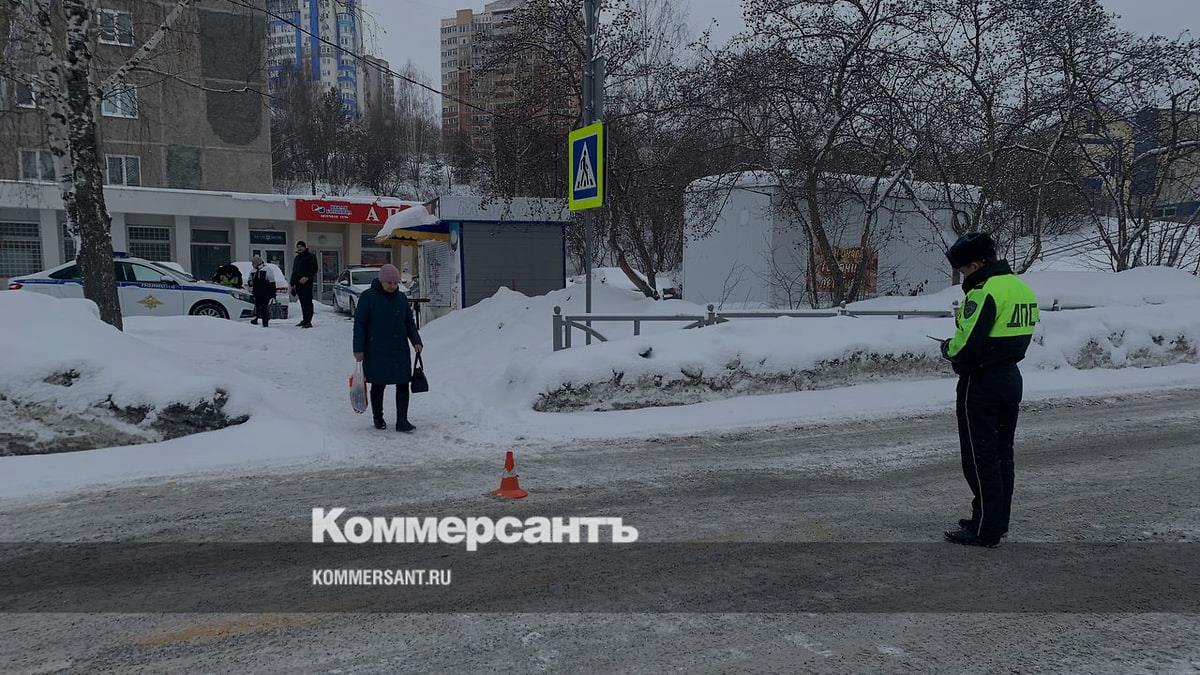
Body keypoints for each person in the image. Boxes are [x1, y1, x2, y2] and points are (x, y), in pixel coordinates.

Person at [939, 232, 1038, 548]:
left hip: (980, 383)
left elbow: (966, 347)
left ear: (979, 262)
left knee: (979, 458)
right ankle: (995, 520)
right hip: (1010, 377)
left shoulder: (984, 294)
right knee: (1001, 455)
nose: (964, 276)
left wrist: (948, 350)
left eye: (965, 270)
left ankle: (984, 528)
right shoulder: (1021, 289)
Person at [353, 264, 423, 432]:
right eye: (389, 283)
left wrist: (416, 341)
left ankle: (402, 421)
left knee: (403, 384)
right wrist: (358, 349)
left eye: (395, 283)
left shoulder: (401, 298)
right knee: (378, 384)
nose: (392, 286)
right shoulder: (368, 297)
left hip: (399, 348)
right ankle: (378, 418)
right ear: (381, 281)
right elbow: (360, 325)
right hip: (376, 349)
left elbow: (409, 323)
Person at [290, 241, 319, 328]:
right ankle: (304, 320)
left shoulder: (311, 256)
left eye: (301, 246)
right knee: (302, 302)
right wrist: (292, 283)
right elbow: (294, 271)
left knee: (308, 302)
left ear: (305, 247)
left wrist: (307, 277)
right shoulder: (297, 258)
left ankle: (308, 321)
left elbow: (314, 269)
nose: (299, 248)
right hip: (298, 284)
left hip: (306, 283)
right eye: (298, 247)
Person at [248, 256, 275, 327]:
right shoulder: (253, 270)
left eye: (253, 263)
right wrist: (250, 282)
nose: (252, 264)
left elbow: (272, 282)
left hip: (265, 292)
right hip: (256, 292)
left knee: (264, 308)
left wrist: (273, 294)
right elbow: (249, 280)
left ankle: (265, 322)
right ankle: (256, 319)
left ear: (257, 262)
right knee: (257, 307)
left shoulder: (266, 269)